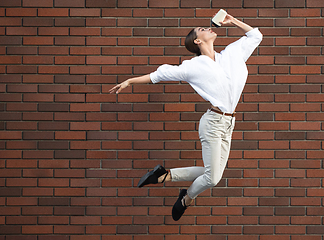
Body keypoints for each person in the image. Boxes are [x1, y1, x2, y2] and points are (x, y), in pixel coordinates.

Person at [109, 13, 263, 221]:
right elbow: (159, 75)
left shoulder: (231, 55)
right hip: (213, 123)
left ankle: (163, 175)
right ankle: (186, 199)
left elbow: (255, 36)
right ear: (198, 41)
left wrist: (233, 21)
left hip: (229, 123)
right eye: (202, 30)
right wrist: (130, 81)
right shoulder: (193, 66)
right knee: (212, 177)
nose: (208, 28)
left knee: (212, 174)